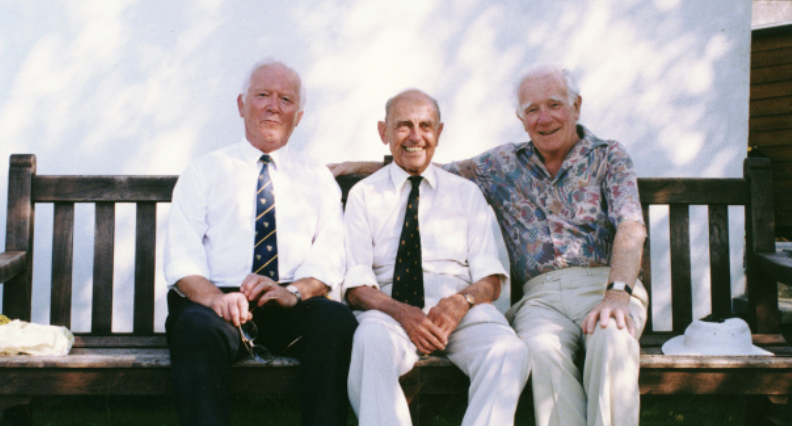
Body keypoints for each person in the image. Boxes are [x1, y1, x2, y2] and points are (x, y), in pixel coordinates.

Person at [331, 65, 648, 426]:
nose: (544, 118)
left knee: (601, 339)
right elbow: (424, 163)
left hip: (602, 284)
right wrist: (366, 167)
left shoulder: (608, 156)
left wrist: (618, 293)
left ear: (576, 106)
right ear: (521, 117)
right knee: (539, 351)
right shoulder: (502, 164)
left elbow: (631, 226)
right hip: (539, 301)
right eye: (532, 110)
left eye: (554, 105)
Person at [164, 59, 357, 426]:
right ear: (241, 104)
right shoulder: (204, 171)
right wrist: (217, 298)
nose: (273, 106)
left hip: (289, 302)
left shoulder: (316, 177)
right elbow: (182, 258)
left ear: (298, 116)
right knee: (195, 329)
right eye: (263, 95)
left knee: (336, 321)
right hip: (217, 304)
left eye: (285, 99)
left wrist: (295, 293)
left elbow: (329, 258)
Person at [343, 89, 530, 426]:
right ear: (383, 132)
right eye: (403, 126)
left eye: (425, 126)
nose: (416, 136)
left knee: (509, 352)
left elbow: (489, 278)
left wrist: (462, 302)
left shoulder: (465, 193)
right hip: (388, 313)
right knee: (370, 342)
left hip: (458, 313)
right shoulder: (364, 195)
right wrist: (403, 313)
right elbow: (356, 286)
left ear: (438, 133)